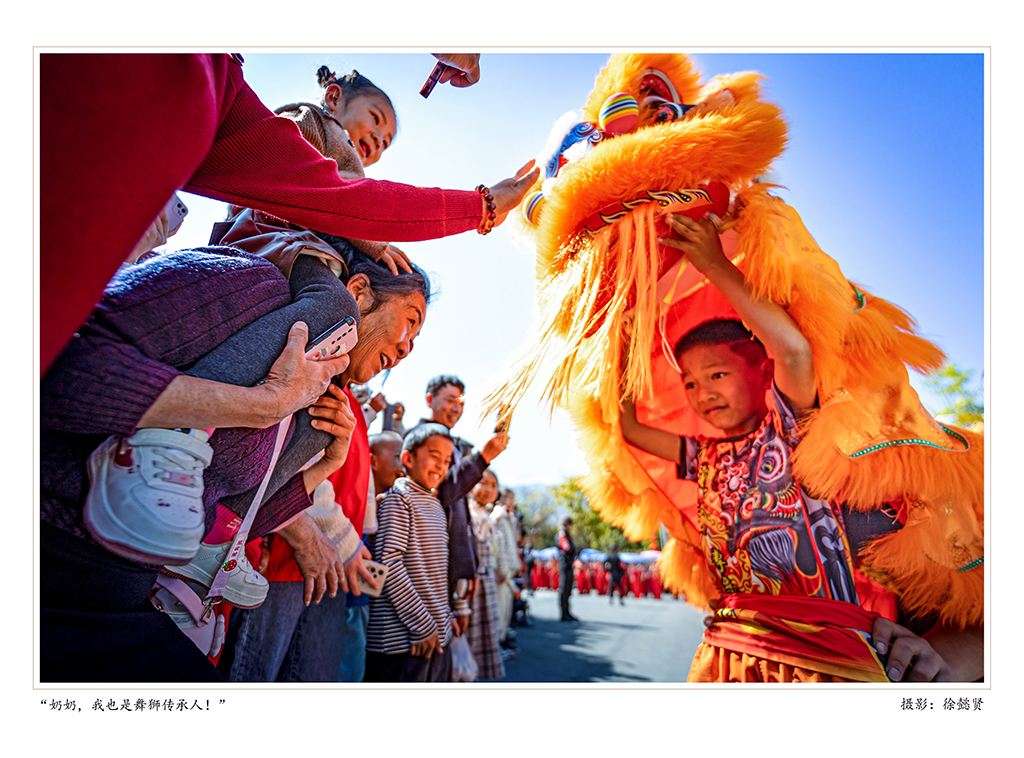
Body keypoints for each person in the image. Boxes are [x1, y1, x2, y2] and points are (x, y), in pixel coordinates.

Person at [619, 211, 982, 682]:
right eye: (689, 383)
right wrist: (623, 346)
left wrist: (715, 265)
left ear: (763, 372)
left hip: (824, 653)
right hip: (729, 652)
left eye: (717, 374)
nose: (702, 393)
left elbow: (793, 350)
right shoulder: (704, 457)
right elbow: (630, 429)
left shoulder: (793, 428)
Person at [41, 52, 539, 373]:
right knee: (332, 309)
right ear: (333, 98)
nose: (377, 141)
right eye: (375, 121)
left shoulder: (221, 89)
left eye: (386, 142)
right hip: (273, 240)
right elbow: (339, 200)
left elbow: (345, 200)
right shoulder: (310, 125)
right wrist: (480, 206)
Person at [222, 255, 432, 682]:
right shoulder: (301, 370)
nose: (408, 347)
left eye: (416, 338)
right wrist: (338, 541)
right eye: (410, 321)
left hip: (329, 569)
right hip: (280, 569)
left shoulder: (344, 396)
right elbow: (274, 473)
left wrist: (356, 541)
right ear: (358, 293)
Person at [407, 374, 508, 672]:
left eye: (461, 403)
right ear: (429, 399)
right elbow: (444, 492)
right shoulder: (419, 438)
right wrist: (484, 456)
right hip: (431, 568)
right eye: (450, 400)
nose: (456, 408)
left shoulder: (452, 445)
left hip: (453, 571)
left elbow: (460, 514)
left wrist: (468, 567)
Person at [364, 424, 457, 682]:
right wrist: (422, 624)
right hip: (403, 642)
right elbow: (389, 565)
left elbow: (435, 574)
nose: (441, 465)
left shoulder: (435, 505)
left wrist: (445, 616)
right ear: (408, 458)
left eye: (447, 460)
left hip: (434, 634)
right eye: (434, 456)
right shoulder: (398, 500)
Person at [467, 470, 505, 679]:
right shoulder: (468, 514)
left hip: (486, 585)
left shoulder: (485, 516)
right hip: (471, 588)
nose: (488, 489)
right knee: (469, 643)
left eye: (493, 485)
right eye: (483, 483)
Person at [556, 516, 578, 622]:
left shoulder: (566, 535)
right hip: (565, 565)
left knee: (568, 588)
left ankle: (567, 611)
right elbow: (566, 548)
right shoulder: (562, 535)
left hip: (569, 565)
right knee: (564, 588)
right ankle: (564, 613)